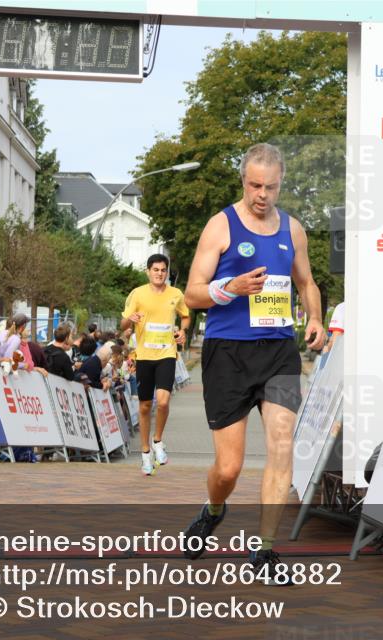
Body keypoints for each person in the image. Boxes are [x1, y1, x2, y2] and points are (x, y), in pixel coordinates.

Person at [182, 143, 326, 582]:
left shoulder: (293, 230)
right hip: (228, 352)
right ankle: (213, 509)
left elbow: (307, 282)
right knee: (229, 468)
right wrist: (231, 287)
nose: (262, 194)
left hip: (278, 351)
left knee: (282, 443)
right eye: (254, 185)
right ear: (243, 181)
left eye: (271, 186)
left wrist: (316, 317)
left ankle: (264, 549)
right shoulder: (220, 227)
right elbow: (192, 293)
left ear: (282, 184)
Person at [120, 253, 192, 476]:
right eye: (155, 270)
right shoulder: (138, 294)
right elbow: (123, 323)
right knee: (144, 405)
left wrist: (182, 331)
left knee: (162, 402)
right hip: (144, 356)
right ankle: (144, 453)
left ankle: (157, 441)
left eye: (163, 270)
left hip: (166, 354)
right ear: (148, 271)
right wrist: (129, 321)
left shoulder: (175, 294)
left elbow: (186, 316)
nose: (159, 274)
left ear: (167, 272)